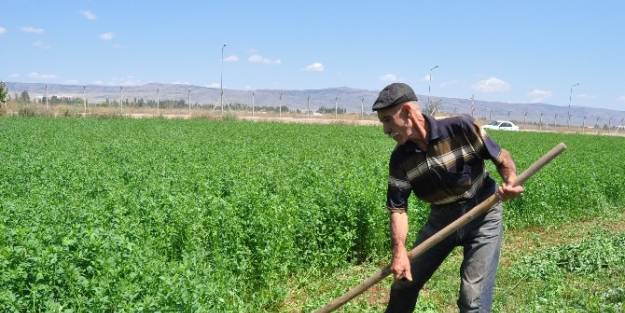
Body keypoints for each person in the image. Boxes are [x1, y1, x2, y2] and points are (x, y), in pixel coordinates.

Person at [372, 83, 524, 313]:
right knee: (404, 283)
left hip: (484, 211)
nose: (385, 129)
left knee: (472, 299)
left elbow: (501, 157)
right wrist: (399, 252)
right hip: (442, 219)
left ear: (406, 112)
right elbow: (398, 209)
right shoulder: (400, 159)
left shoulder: (460, 128)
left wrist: (510, 180)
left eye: (387, 120)